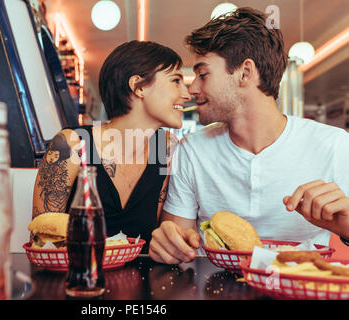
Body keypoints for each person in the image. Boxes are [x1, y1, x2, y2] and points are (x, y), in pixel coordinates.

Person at [149, 7, 349, 264]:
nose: (192, 89)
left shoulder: (335, 145)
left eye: (202, 74)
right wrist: (168, 245)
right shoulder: (191, 149)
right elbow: (179, 243)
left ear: (245, 73)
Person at [32, 40, 191, 253]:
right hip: (79, 281)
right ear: (139, 87)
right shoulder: (70, 144)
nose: (187, 94)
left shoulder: (166, 147)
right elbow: (42, 244)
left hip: (144, 283)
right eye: (176, 80)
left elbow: (158, 241)